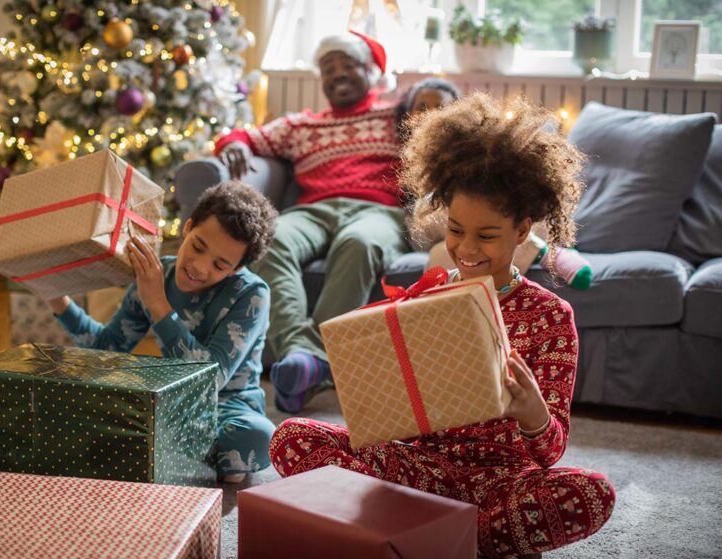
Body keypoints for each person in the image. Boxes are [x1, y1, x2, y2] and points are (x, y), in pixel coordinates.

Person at [269, 92, 615, 558]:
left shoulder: (550, 317)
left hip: (498, 483)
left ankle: (427, 536)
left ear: (522, 230)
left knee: (591, 492)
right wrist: (371, 395)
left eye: (487, 235)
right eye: (455, 230)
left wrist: (533, 414)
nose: (466, 248)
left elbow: (548, 453)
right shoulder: (426, 295)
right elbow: (388, 420)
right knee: (292, 436)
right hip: (412, 473)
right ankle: (443, 537)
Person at [215, 31, 408, 414]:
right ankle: (304, 355)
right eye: (327, 69)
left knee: (358, 243)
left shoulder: (395, 116)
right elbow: (242, 136)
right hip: (314, 210)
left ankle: (308, 362)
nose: (337, 75)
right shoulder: (300, 125)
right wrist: (232, 144)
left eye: (347, 66)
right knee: (270, 239)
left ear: (372, 71)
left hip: (376, 210)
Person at [47, 181, 278, 484]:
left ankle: (155, 453)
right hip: (167, 407)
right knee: (76, 407)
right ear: (188, 227)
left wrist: (157, 303)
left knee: (259, 437)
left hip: (227, 408)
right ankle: (182, 457)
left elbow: (212, 378)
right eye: (198, 246)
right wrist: (58, 299)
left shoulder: (251, 295)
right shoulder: (156, 275)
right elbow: (108, 348)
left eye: (220, 265)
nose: (200, 267)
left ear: (235, 269)